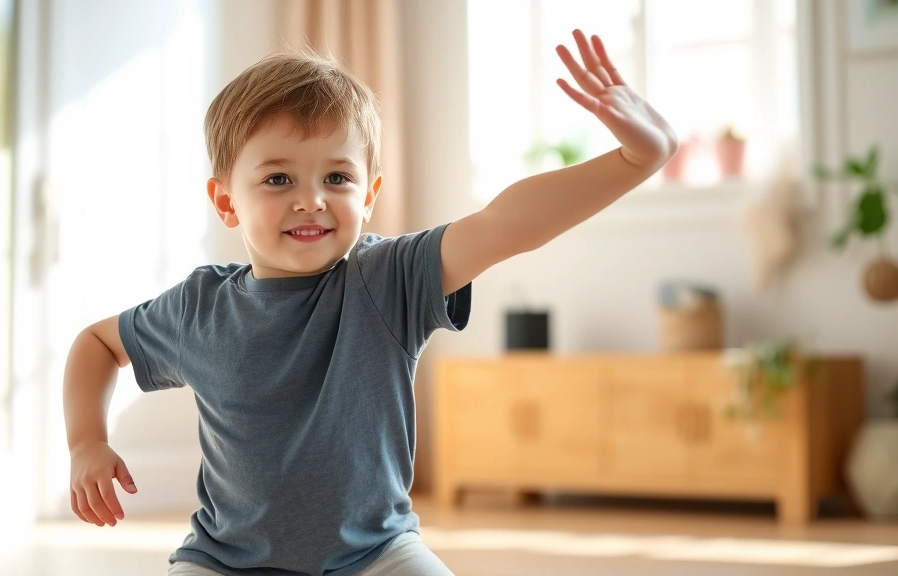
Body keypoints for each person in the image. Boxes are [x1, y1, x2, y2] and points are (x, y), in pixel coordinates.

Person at [63, 29, 676, 576]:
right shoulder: (199, 308)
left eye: (337, 178)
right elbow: (96, 343)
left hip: (375, 553)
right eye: (279, 179)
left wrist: (634, 160)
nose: (311, 200)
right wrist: (85, 441)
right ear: (226, 202)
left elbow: (503, 224)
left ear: (370, 193)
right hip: (226, 561)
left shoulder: (387, 279)